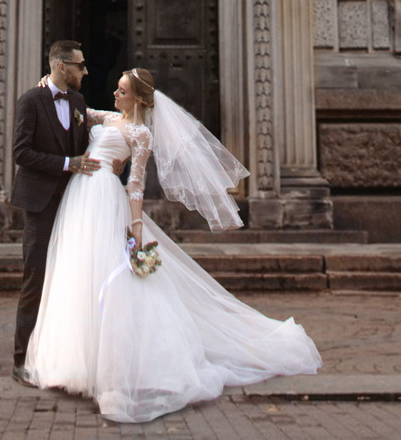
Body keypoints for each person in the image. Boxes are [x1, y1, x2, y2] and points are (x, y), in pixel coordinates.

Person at [22, 67, 321, 423]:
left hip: (104, 200)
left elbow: (135, 184)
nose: (115, 95)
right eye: (116, 90)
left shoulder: (141, 133)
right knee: (77, 274)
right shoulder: (107, 117)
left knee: (110, 278)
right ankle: (71, 361)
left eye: (122, 91)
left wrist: (135, 227)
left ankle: (115, 364)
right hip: (80, 200)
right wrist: (48, 83)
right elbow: (74, 110)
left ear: (138, 99)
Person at [10, 39, 99, 382]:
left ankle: (60, 357)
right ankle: (21, 360)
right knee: (35, 278)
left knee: (70, 280)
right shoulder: (30, 100)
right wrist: (67, 164)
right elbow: (21, 153)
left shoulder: (77, 101)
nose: (85, 70)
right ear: (62, 66)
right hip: (40, 203)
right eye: (80, 65)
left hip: (74, 203)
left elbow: (83, 143)